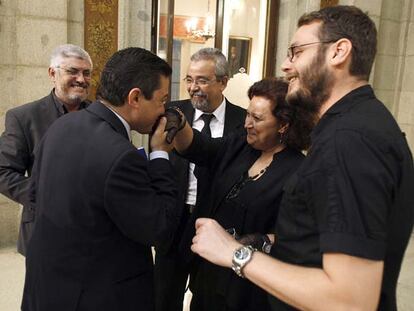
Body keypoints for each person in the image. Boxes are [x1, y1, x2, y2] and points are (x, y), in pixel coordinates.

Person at [190, 5, 414, 311]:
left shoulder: (349, 139)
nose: (286, 65)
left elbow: (350, 301)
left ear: (339, 52)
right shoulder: (351, 127)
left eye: (296, 51)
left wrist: (234, 254)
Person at [22, 47, 181, 311]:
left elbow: (34, 196)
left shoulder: (61, 126)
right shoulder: (121, 156)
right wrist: (161, 156)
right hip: (97, 294)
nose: (163, 110)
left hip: (48, 285)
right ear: (135, 97)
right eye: (161, 100)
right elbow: (160, 228)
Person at [173, 77, 313, 310]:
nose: (247, 123)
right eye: (248, 114)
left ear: (283, 125)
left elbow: (299, 237)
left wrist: (261, 240)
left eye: (257, 118)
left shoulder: (298, 171)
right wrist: (178, 122)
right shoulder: (239, 145)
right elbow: (200, 147)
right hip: (209, 273)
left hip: (248, 285)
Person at [154, 47, 246, 311]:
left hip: (215, 224)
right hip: (174, 220)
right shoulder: (171, 113)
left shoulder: (243, 121)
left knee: (207, 297)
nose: (194, 88)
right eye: (190, 80)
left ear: (223, 82)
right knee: (163, 295)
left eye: (203, 80)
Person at [0, 44, 92, 256]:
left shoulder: (100, 115)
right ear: (52, 73)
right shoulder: (24, 117)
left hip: (93, 232)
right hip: (44, 230)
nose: (81, 79)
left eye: (86, 73)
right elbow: (3, 171)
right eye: (72, 71)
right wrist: (45, 195)